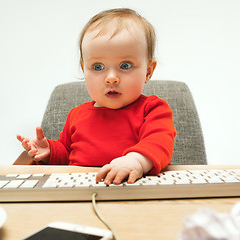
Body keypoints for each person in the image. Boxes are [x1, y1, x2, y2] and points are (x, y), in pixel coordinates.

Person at [17, 8, 176, 185]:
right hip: (81, 192)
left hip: (135, 189)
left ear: (148, 72)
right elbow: (66, 156)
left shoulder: (153, 109)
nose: (111, 78)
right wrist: (50, 152)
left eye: (125, 65)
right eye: (98, 67)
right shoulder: (77, 115)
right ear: (84, 69)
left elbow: (159, 142)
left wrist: (136, 161)